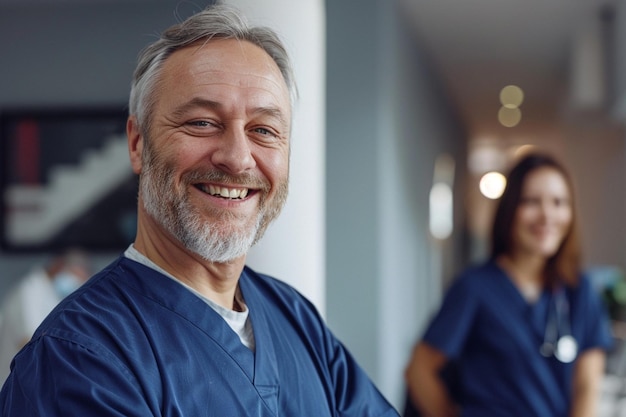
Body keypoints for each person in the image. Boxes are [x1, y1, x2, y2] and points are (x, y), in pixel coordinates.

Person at [0, 5, 399, 416]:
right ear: (137, 144)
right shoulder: (80, 357)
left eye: (263, 130)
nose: (238, 158)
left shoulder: (294, 318)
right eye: (202, 123)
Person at [404, 152, 613, 417]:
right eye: (531, 201)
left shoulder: (579, 291)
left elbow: (587, 386)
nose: (547, 215)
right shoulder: (475, 287)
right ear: (509, 209)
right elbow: (419, 370)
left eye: (559, 202)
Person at [0, 249, 90, 383]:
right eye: (74, 277)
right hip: (13, 384)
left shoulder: (52, 294)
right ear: (59, 266)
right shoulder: (29, 292)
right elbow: (31, 343)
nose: (74, 285)